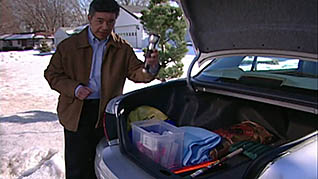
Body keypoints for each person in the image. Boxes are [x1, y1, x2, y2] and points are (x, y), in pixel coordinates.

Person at [44, 0, 159, 178]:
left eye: (111, 21)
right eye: (100, 21)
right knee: (78, 166)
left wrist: (150, 68)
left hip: (106, 113)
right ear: (89, 18)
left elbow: (138, 74)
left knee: (104, 162)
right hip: (77, 111)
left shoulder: (122, 48)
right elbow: (52, 74)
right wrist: (75, 89)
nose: (105, 26)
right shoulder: (69, 47)